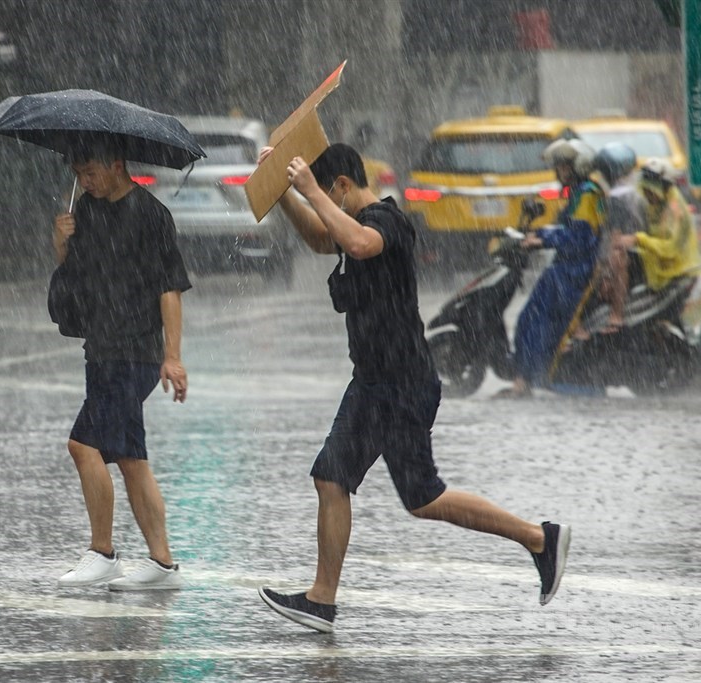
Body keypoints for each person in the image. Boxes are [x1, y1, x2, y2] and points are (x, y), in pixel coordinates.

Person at [255, 143, 570, 633]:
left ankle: (538, 538)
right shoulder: (349, 221)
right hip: (376, 380)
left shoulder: (387, 221)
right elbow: (324, 239)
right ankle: (321, 600)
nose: (327, 206)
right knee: (332, 479)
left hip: (400, 383)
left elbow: (358, 243)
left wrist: (309, 189)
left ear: (342, 184)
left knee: (423, 497)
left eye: (328, 192)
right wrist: (282, 194)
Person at [50, 145, 191, 591]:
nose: (85, 181)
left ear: (116, 165)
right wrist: (62, 240)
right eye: (79, 173)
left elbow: (170, 288)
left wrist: (173, 355)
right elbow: (74, 274)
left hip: (135, 351)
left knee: (84, 445)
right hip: (102, 347)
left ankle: (104, 552)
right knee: (131, 458)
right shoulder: (86, 211)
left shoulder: (151, 215)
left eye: (90, 171)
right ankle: (160, 563)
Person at [497, 139, 604, 398]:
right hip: (565, 267)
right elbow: (563, 227)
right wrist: (536, 234)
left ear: (577, 167)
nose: (559, 172)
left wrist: (543, 239)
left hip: (573, 271)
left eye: (563, 167)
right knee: (530, 320)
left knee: (535, 321)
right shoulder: (579, 193)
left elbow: (579, 237)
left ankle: (528, 379)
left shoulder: (588, 195)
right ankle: (525, 378)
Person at [614, 158, 701, 294]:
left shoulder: (675, 209)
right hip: (658, 267)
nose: (647, 196)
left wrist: (638, 239)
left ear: (663, 189)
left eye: (651, 192)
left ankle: (617, 312)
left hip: (677, 273)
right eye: (645, 191)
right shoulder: (654, 205)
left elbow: (671, 249)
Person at [592, 142, 647, 332]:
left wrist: (606, 275)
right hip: (637, 254)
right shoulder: (636, 196)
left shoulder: (616, 200)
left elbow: (613, 240)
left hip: (633, 256)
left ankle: (617, 314)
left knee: (617, 255)